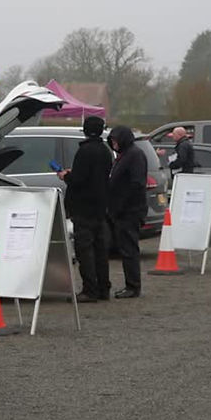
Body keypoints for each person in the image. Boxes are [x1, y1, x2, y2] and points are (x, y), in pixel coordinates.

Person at [58, 116, 113, 302]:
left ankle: (90, 289)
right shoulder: (105, 151)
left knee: (85, 250)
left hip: (84, 207)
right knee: (100, 250)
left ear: (84, 130)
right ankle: (104, 287)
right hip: (100, 206)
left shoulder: (85, 152)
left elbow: (79, 180)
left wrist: (66, 176)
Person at [106, 126, 147, 299]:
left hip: (129, 211)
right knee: (125, 248)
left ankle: (133, 286)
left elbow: (136, 184)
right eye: (112, 141)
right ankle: (131, 284)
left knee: (129, 249)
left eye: (116, 140)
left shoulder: (134, 155)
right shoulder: (125, 155)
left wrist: (122, 204)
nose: (114, 144)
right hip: (122, 210)